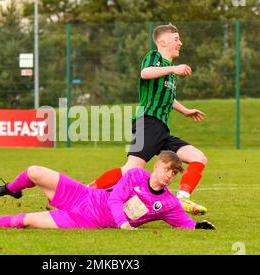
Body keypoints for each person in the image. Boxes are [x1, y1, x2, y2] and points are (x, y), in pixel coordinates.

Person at [89, 23, 208, 216]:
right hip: (148, 122)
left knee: (198, 158)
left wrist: (185, 110)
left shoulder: (169, 69)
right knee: (130, 171)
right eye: (176, 39)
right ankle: (87, 192)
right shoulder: (155, 57)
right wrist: (174, 69)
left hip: (162, 130)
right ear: (162, 41)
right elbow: (145, 73)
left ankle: (182, 197)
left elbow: (167, 96)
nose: (180, 43)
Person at [0, 150, 216, 231]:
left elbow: (183, 223)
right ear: (156, 166)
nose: (168, 175)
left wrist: (199, 227)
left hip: (84, 220)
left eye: (173, 172)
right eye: (166, 169)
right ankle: (12, 188)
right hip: (84, 197)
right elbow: (115, 199)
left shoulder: (168, 202)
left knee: (28, 220)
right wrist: (123, 223)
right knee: (34, 171)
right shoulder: (135, 173)